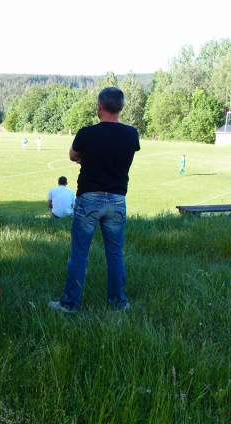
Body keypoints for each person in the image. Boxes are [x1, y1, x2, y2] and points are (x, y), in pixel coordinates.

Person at [50, 87, 140, 314]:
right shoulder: (131, 134)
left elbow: (72, 155)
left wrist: (87, 159)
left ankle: (70, 303)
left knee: (79, 254)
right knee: (115, 254)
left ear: (100, 106)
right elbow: (119, 156)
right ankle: (117, 302)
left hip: (89, 198)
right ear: (121, 107)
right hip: (118, 201)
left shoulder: (86, 133)